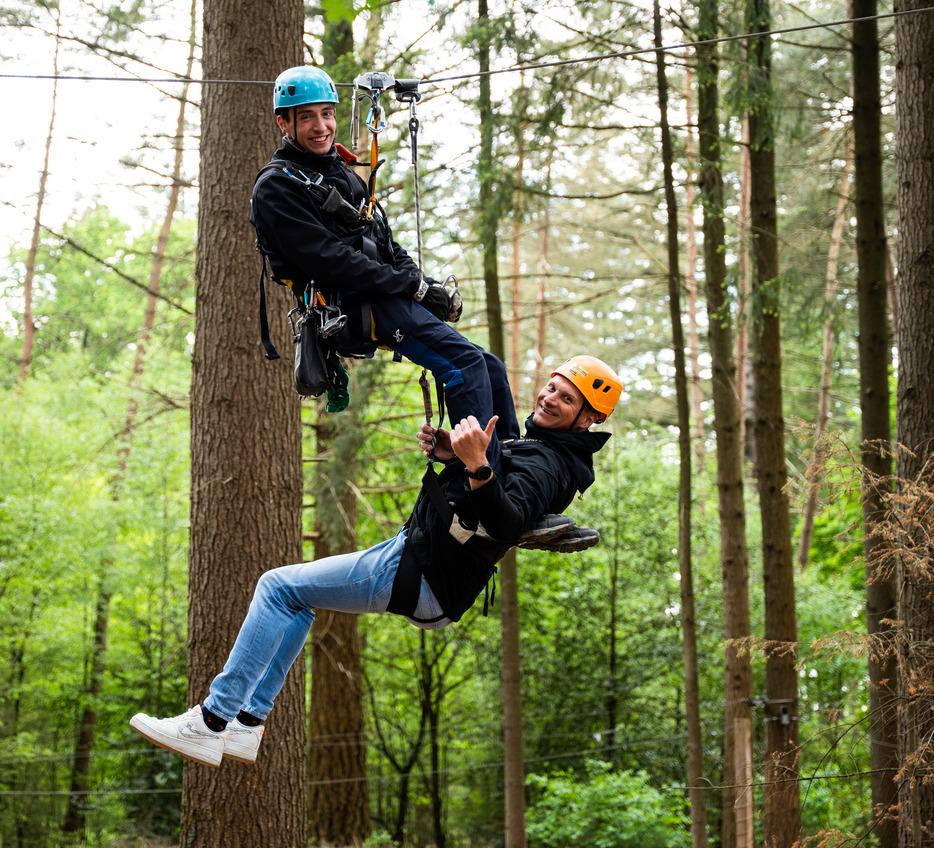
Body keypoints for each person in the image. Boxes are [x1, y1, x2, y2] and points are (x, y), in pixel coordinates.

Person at [129, 356, 623, 768]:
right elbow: (480, 499)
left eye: (566, 398)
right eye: (552, 387)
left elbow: (507, 523)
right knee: (295, 602)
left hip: (421, 572)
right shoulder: (540, 445)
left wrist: (476, 464)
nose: (549, 398)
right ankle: (247, 726)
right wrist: (457, 458)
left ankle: (212, 721)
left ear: (587, 419)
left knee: (277, 587)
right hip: (418, 561)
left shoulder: (549, 463)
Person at [251, 65, 518, 465]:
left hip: (381, 293)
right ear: (283, 123)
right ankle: (481, 486)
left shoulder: (341, 172)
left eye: (327, 113)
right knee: (464, 366)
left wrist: (426, 287)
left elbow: (384, 242)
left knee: (489, 366)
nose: (320, 126)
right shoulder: (276, 187)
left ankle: (514, 468)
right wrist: (411, 289)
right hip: (351, 303)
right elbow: (332, 260)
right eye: (306, 116)